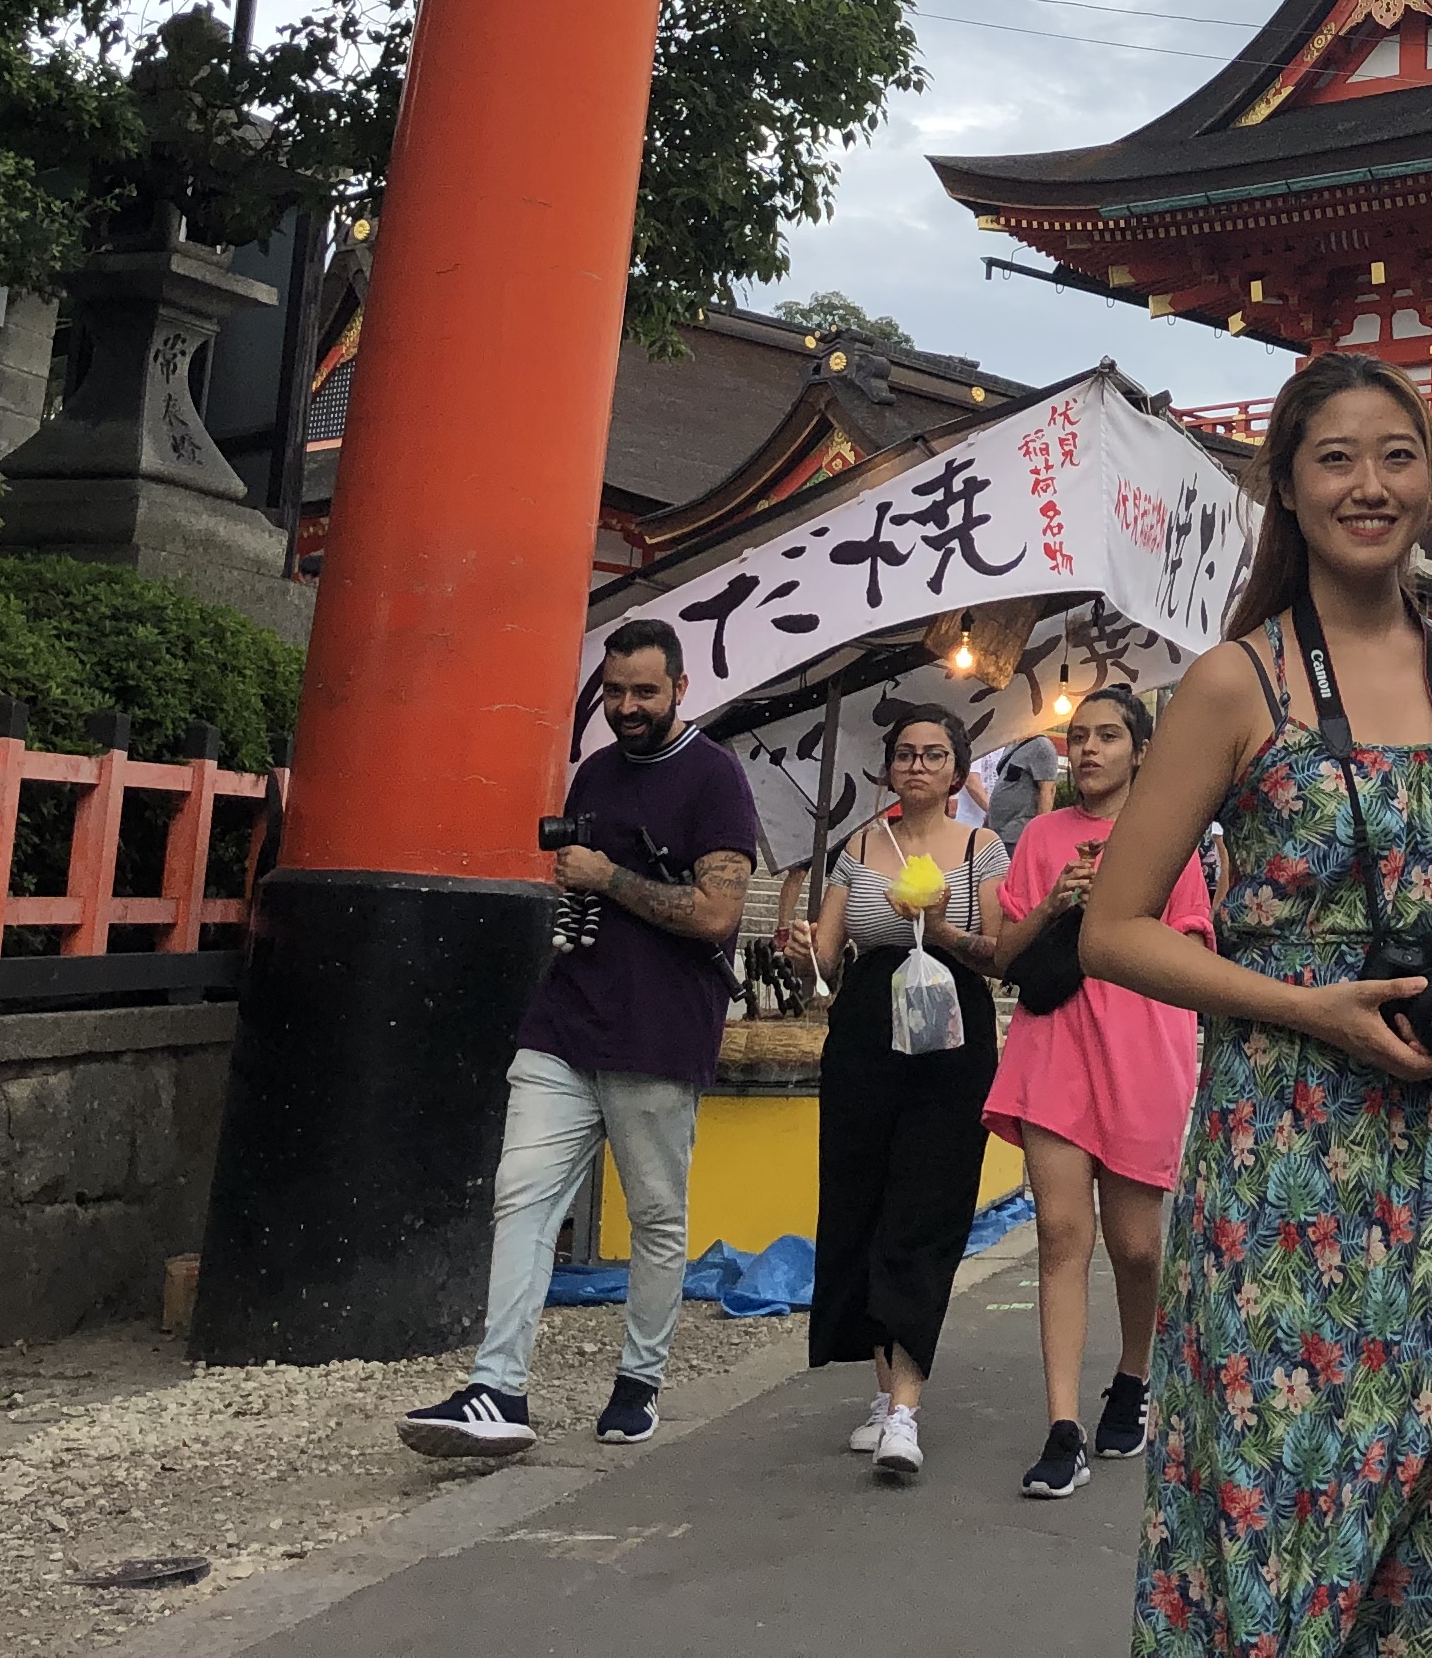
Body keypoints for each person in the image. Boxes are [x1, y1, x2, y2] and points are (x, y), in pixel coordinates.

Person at [1078, 351, 1432, 1658]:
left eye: (1397, 456)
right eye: (1336, 459)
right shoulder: (1239, 683)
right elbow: (1113, 928)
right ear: (1286, 491)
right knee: (1284, 1513)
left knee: (1422, 1532)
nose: (1371, 484)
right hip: (1285, 1168)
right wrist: (1311, 1011)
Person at [399, 621, 759, 1458]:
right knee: (520, 1195)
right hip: (565, 1017)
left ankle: (639, 1380)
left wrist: (611, 878)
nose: (627, 707)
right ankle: (498, 1387)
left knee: (656, 1216)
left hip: (659, 1030)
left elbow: (717, 913)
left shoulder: (716, 778)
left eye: (645, 692)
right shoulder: (593, 771)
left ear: (679, 690)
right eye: (615, 692)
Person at [984, 684, 1212, 1499]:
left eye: (1107, 736)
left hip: (1143, 1048)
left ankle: (1133, 1374)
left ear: (1140, 750)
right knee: (1059, 1234)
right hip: (1055, 1047)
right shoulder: (1039, 836)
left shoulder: (1170, 843)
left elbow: (1189, 950)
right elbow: (1006, 951)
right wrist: (1055, 902)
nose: (1087, 749)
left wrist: (1117, 906)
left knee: (1138, 1245)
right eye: (1078, 736)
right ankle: (1062, 1426)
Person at [806, 705, 1008, 1484]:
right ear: (887, 768)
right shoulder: (859, 846)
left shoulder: (982, 848)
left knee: (926, 1208)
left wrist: (941, 926)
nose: (917, 766)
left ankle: (906, 1411)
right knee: (860, 1201)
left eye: (934, 755)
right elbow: (828, 957)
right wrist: (804, 951)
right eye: (904, 754)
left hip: (949, 1036)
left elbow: (997, 954)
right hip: (864, 1034)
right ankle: (881, 1390)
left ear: (958, 772)